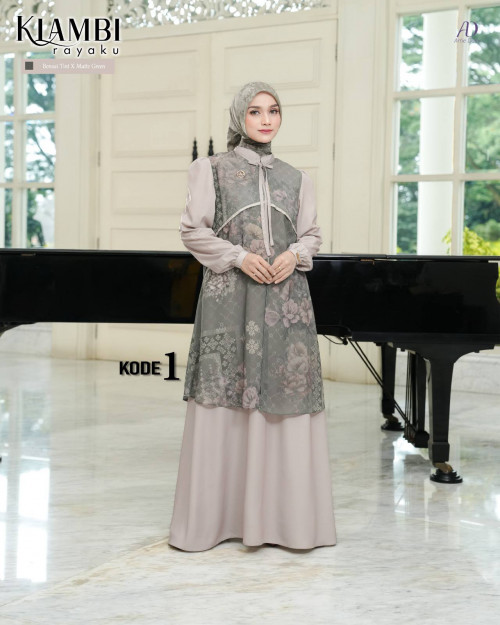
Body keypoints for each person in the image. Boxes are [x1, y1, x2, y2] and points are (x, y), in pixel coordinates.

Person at [168, 81, 336, 552]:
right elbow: (192, 231)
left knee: (283, 394)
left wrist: (296, 254)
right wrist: (240, 257)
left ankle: (287, 524)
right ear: (240, 116)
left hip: (286, 302)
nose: (266, 119)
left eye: (274, 111)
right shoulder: (211, 170)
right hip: (230, 299)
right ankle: (215, 522)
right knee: (224, 394)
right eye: (256, 111)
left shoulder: (298, 178)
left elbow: (312, 234)